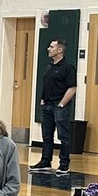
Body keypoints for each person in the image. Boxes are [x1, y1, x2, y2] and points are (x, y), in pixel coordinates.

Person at [29, 39, 79, 176]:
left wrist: (62, 104)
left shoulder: (68, 67)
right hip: (47, 105)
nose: (48, 49)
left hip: (59, 106)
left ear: (59, 50)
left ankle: (64, 164)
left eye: (51, 47)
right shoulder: (50, 66)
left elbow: (72, 88)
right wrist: (43, 100)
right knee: (47, 135)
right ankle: (45, 161)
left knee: (63, 136)